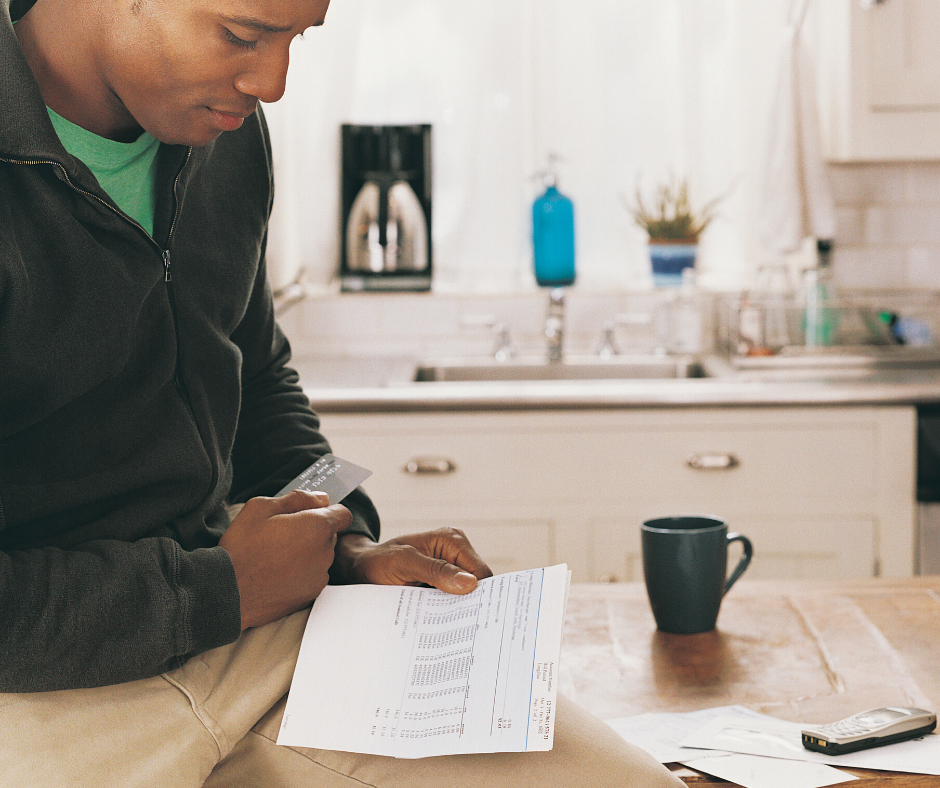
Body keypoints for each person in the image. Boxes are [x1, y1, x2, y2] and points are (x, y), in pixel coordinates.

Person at [0, 0, 684, 785]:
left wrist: (341, 544)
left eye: (297, 37)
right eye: (243, 34)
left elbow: (255, 375)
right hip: (36, 688)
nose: (274, 81)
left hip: (247, 640)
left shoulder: (224, 134)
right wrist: (216, 590)